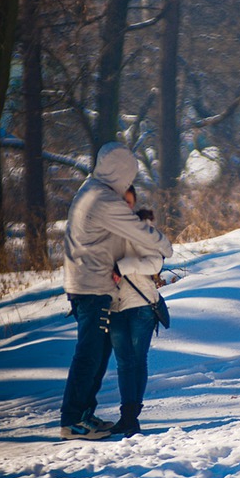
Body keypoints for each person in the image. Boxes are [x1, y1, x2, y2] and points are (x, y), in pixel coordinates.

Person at [60, 143, 172, 441]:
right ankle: (72, 420)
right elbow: (138, 231)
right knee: (89, 355)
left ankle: (84, 414)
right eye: (129, 173)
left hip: (90, 285)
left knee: (97, 354)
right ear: (121, 171)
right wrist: (165, 245)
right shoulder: (103, 198)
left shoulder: (90, 189)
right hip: (91, 286)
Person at [108, 186, 163, 437]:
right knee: (123, 363)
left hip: (141, 305)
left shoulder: (142, 228)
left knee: (137, 361)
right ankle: (127, 416)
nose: (125, 206)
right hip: (114, 306)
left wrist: (123, 265)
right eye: (121, 201)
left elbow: (155, 262)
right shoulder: (103, 229)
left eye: (129, 202)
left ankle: (130, 416)